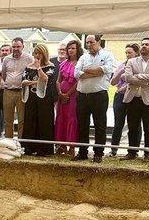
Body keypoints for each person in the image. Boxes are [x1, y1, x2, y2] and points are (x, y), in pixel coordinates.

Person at [73, 34, 116, 163]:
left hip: (98, 95)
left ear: (98, 42)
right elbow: (76, 73)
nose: (89, 45)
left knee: (100, 125)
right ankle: (82, 152)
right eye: (87, 42)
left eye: (91, 42)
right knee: (82, 125)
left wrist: (87, 71)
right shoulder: (83, 57)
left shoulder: (107, 55)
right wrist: (96, 72)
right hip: (82, 96)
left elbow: (107, 69)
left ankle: (98, 153)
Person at [122, 37, 149, 161]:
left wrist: (139, 76)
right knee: (132, 127)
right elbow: (128, 78)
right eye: (142, 44)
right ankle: (132, 152)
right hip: (133, 98)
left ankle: (148, 153)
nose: (143, 46)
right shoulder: (132, 61)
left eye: (147, 44)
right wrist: (147, 80)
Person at [21, 44, 57, 156]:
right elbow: (23, 81)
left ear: (44, 54)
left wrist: (38, 68)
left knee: (44, 121)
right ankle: (29, 147)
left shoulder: (50, 67)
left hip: (44, 98)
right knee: (30, 120)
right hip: (31, 97)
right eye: (35, 53)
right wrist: (35, 82)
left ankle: (44, 149)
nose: (37, 55)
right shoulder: (28, 66)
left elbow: (46, 79)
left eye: (39, 53)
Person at [108, 43, 138, 157]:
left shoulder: (138, 65)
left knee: (133, 124)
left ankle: (133, 150)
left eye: (130, 52)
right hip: (119, 96)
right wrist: (121, 71)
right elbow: (112, 82)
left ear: (136, 53)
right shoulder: (121, 65)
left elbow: (136, 80)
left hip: (132, 96)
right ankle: (113, 149)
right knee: (118, 123)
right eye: (126, 52)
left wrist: (125, 88)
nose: (127, 55)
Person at [55, 40, 81, 155]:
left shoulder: (80, 63)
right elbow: (58, 80)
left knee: (72, 118)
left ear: (78, 49)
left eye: (73, 48)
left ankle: (72, 147)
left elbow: (79, 81)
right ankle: (62, 145)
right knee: (61, 118)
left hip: (73, 95)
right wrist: (60, 92)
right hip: (62, 95)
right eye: (69, 48)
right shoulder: (64, 63)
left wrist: (68, 94)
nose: (70, 50)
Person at [1, 38, 29, 138]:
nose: (16, 49)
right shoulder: (6, 59)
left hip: (22, 91)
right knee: (8, 119)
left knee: (22, 119)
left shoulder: (29, 58)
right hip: (8, 91)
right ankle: (9, 142)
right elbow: (4, 75)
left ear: (23, 47)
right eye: (14, 47)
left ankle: (21, 143)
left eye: (18, 46)